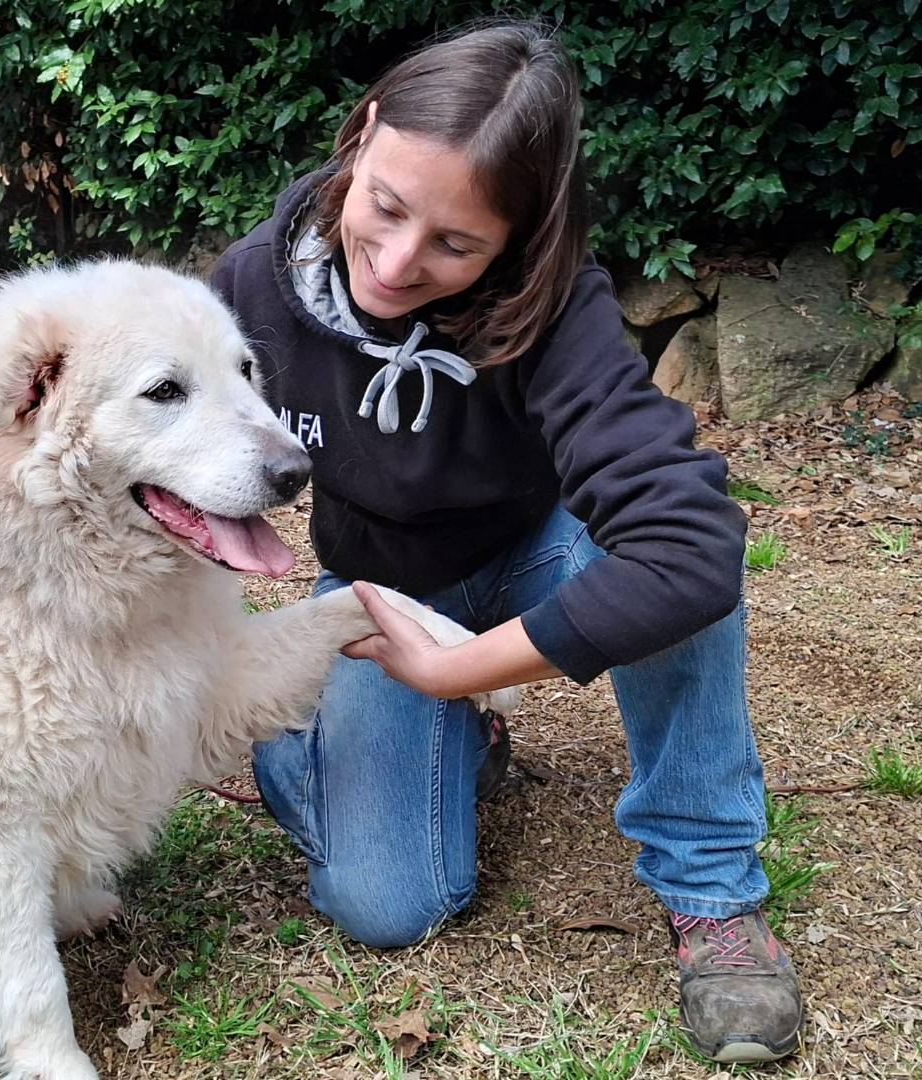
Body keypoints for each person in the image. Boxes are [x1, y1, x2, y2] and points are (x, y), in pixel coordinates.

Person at [208, 20, 802, 1065]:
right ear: (364, 131)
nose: (395, 263)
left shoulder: (557, 305)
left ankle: (713, 890)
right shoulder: (248, 289)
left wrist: (457, 670)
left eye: (455, 244)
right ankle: (376, 758)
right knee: (388, 905)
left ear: (520, 237)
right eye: (384, 208)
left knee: (671, 573)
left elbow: (692, 548)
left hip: (538, 551)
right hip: (378, 588)